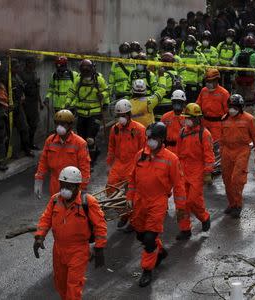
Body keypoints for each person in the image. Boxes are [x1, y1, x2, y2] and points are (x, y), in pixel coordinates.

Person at [127, 122, 187, 287]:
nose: (150, 141)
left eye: (154, 138)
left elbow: (179, 185)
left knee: (149, 237)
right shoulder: (140, 155)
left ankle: (147, 270)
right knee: (140, 234)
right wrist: (130, 197)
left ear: (162, 139)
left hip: (157, 201)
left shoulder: (171, 159)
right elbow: (132, 179)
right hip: (139, 200)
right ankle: (159, 251)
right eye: (149, 137)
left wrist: (181, 208)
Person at [33, 166, 107, 299]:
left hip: (78, 251)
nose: (65, 189)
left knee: (73, 287)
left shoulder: (88, 202)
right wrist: (39, 236)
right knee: (60, 284)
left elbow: (100, 226)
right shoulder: (55, 199)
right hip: (59, 249)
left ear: (77, 187)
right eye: (63, 185)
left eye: (69, 186)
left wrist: (99, 247)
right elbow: (45, 219)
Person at [220, 94, 255, 218]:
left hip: (242, 151)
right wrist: (221, 152)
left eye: (234, 106)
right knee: (227, 179)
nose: (232, 109)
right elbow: (222, 138)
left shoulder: (249, 119)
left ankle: (238, 205)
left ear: (240, 107)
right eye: (230, 106)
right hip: (227, 152)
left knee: (236, 179)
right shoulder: (224, 119)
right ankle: (232, 203)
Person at [175, 103, 214, 240]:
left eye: (190, 117)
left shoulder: (204, 134)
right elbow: (178, 153)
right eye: (186, 117)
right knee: (181, 202)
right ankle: (185, 229)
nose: (187, 120)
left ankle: (204, 217)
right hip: (183, 171)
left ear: (198, 118)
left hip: (197, 171)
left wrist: (208, 172)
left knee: (193, 200)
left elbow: (209, 155)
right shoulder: (182, 132)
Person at [107, 99, 145, 229]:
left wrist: (140, 168)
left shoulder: (139, 129)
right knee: (111, 188)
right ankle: (124, 214)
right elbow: (111, 147)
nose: (121, 118)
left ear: (129, 115)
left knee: (132, 193)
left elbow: (143, 150)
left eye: (123, 115)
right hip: (118, 164)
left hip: (133, 164)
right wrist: (109, 164)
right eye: (119, 116)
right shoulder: (115, 129)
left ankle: (134, 220)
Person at [34, 110, 91, 198]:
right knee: (56, 209)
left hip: (72, 185)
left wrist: (82, 189)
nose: (59, 127)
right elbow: (43, 161)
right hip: (55, 183)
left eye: (63, 124)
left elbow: (85, 168)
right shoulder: (50, 140)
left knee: (71, 210)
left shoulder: (80, 143)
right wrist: (39, 179)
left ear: (70, 125)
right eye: (57, 124)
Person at [68, 59, 109, 165]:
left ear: (92, 69)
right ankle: (85, 156)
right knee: (81, 139)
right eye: (83, 69)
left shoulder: (98, 79)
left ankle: (91, 161)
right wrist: (67, 104)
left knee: (90, 139)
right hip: (81, 113)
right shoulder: (78, 80)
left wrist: (103, 97)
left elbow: (106, 90)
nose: (85, 71)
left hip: (95, 113)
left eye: (87, 69)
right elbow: (72, 92)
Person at [196, 68, 230, 142]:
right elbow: (197, 105)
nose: (208, 83)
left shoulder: (224, 93)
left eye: (210, 81)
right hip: (204, 122)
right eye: (207, 81)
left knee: (216, 144)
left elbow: (228, 112)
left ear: (216, 80)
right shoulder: (203, 91)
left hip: (217, 125)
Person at [10, 58, 35, 157]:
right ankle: (11, 152)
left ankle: (26, 149)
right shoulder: (7, 78)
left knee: (25, 128)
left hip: (19, 106)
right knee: (9, 132)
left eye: (18, 67)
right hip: (10, 107)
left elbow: (22, 87)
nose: (17, 69)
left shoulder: (17, 77)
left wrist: (23, 96)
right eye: (15, 67)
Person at [232, 35, 255, 114]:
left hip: (238, 81)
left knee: (238, 100)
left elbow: (233, 65)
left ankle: (238, 115)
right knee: (250, 102)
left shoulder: (238, 53)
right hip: (251, 82)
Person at [20, 57, 43, 150]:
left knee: (34, 124)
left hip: (34, 102)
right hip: (26, 102)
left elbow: (37, 89)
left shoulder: (34, 73)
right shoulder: (22, 74)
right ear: (28, 63)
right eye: (32, 63)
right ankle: (25, 146)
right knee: (26, 125)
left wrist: (40, 102)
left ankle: (31, 143)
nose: (34, 65)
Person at [155, 52, 184, 119]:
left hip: (162, 103)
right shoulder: (177, 74)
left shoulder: (163, 74)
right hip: (173, 103)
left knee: (161, 121)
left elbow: (160, 88)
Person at [179, 35, 207, 102]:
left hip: (193, 83)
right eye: (187, 44)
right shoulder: (180, 55)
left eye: (190, 45)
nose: (188, 46)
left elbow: (202, 69)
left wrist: (199, 81)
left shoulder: (198, 55)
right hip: (182, 83)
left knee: (193, 102)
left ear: (194, 45)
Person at [161, 90, 186, 154]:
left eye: (179, 102)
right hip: (168, 148)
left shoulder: (187, 117)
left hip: (183, 148)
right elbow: (161, 133)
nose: (177, 104)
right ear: (172, 102)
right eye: (175, 102)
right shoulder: (165, 116)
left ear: (183, 103)